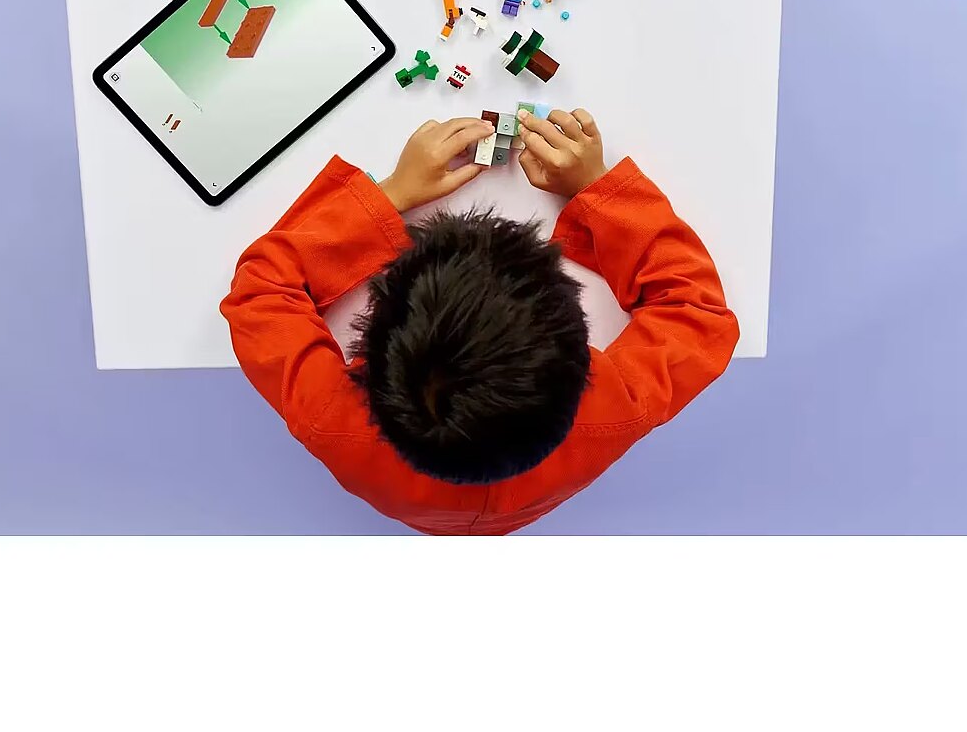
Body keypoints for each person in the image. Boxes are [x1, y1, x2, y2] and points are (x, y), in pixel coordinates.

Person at [221, 108, 739, 534]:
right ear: (582, 349)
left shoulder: (332, 421)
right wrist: (596, 189)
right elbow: (697, 312)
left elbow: (259, 291)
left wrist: (392, 194)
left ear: (369, 332)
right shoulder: (614, 411)